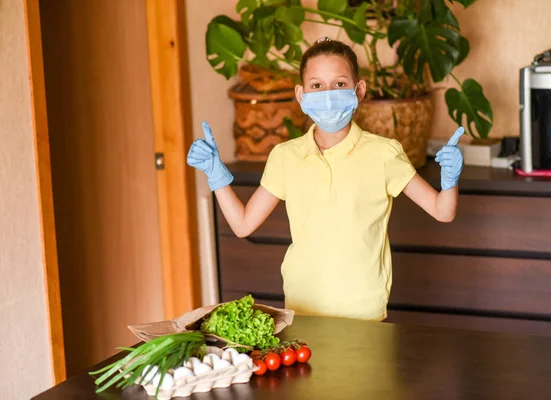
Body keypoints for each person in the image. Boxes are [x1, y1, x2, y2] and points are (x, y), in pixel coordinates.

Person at [187, 37, 463, 321]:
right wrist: (216, 174)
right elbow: (243, 224)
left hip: (364, 314)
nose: (328, 93)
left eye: (340, 84)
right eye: (317, 85)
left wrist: (450, 179)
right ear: (300, 94)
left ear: (360, 90)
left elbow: (442, 211)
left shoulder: (384, 153)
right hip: (302, 308)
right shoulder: (285, 156)